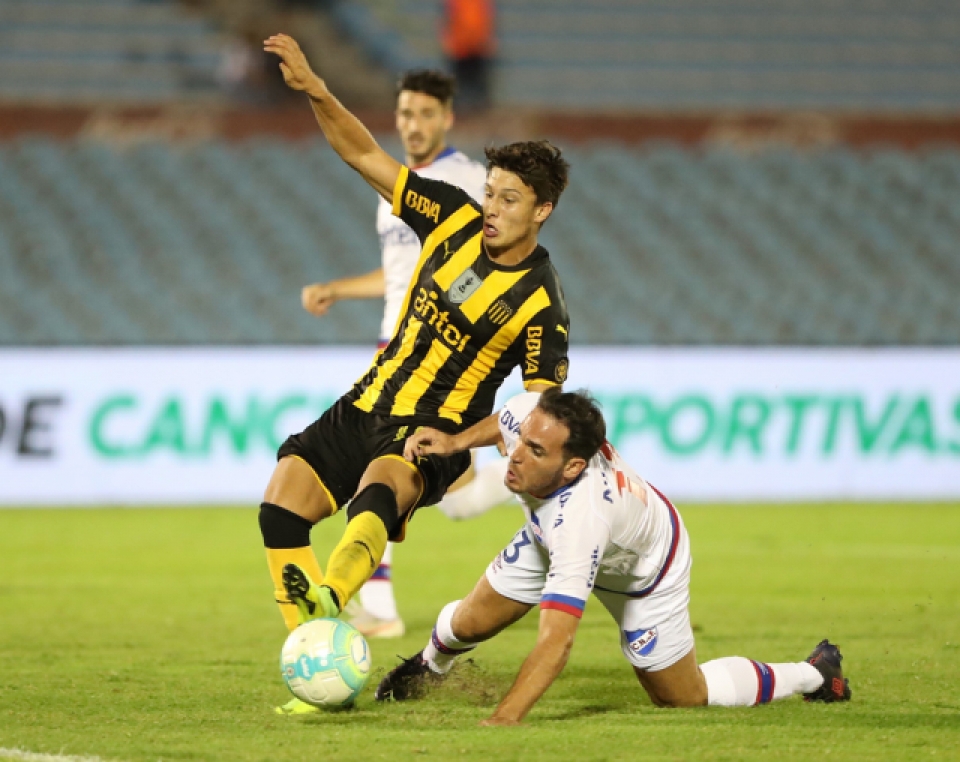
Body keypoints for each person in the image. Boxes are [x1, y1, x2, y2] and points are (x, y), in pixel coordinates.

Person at [260, 34, 571, 714]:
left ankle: (332, 603)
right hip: (368, 399)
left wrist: (462, 446)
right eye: (490, 193)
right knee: (280, 506)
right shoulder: (450, 217)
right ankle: (324, 668)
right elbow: (361, 153)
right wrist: (317, 89)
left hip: (429, 435)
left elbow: (539, 406)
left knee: (382, 484)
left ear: (541, 211)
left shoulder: (541, 305)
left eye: (509, 200)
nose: (491, 207)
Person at [374, 389, 852, 725]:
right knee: (471, 622)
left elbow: (556, 643)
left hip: (642, 571)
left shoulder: (582, 518)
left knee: (682, 698)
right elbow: (505, 420)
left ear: (574, 466)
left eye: (534, 451)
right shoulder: (535, 417)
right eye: (522, 442)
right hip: (549, 540)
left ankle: (815, 674)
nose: (515, 456)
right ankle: (428, 668)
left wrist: (504, 718)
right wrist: (457, 443)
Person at [299, 69, 513, 639]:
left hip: (434, 358)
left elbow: (481, 266)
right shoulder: (397, 189)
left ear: (446, 118)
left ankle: (381, 608)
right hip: (389, 349)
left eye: (423, 114)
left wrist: (453, 317)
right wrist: (339, 289)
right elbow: (401, 275)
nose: (411, 125)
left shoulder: (467, 180)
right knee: (456, 501)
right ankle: (528, 488)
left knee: (381, 476)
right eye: (403, 114)